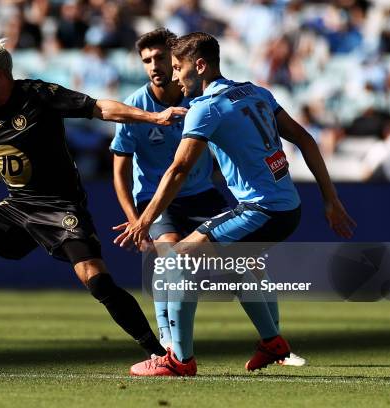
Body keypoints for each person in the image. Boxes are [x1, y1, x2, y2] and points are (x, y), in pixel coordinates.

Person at [0, 39, 188, 360]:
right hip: (18, 206)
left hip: (60, 208)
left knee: (97, 281)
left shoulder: (38, 95)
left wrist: (154, 118)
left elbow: (99, 107)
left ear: (0, 76)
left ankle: (160, 355)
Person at [114, 32, 356, 376]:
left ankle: (179, 360)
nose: (176, 75)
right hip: (288, 206)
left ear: (199, 66)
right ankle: (272, 342)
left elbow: (179, 169)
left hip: (261, 210)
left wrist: (143, 221)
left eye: (179, 67)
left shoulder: (205, 108)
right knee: (242, 267)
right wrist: (330, 199)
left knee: (177, 262)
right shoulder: (257, 91)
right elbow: (304, 137)